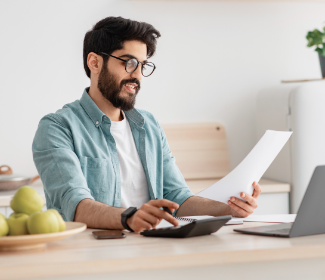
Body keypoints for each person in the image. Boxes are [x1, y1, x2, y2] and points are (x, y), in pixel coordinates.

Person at [32, 16, 261, 233]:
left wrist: (228, 209)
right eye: (129, 63)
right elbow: (75, 204)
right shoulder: (57, 128)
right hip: (91, 253)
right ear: (95, 62)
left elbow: (177, 197)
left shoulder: (148, 125)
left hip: (150, 246)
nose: (138, 76)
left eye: (143, 65)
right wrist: (130, 218)